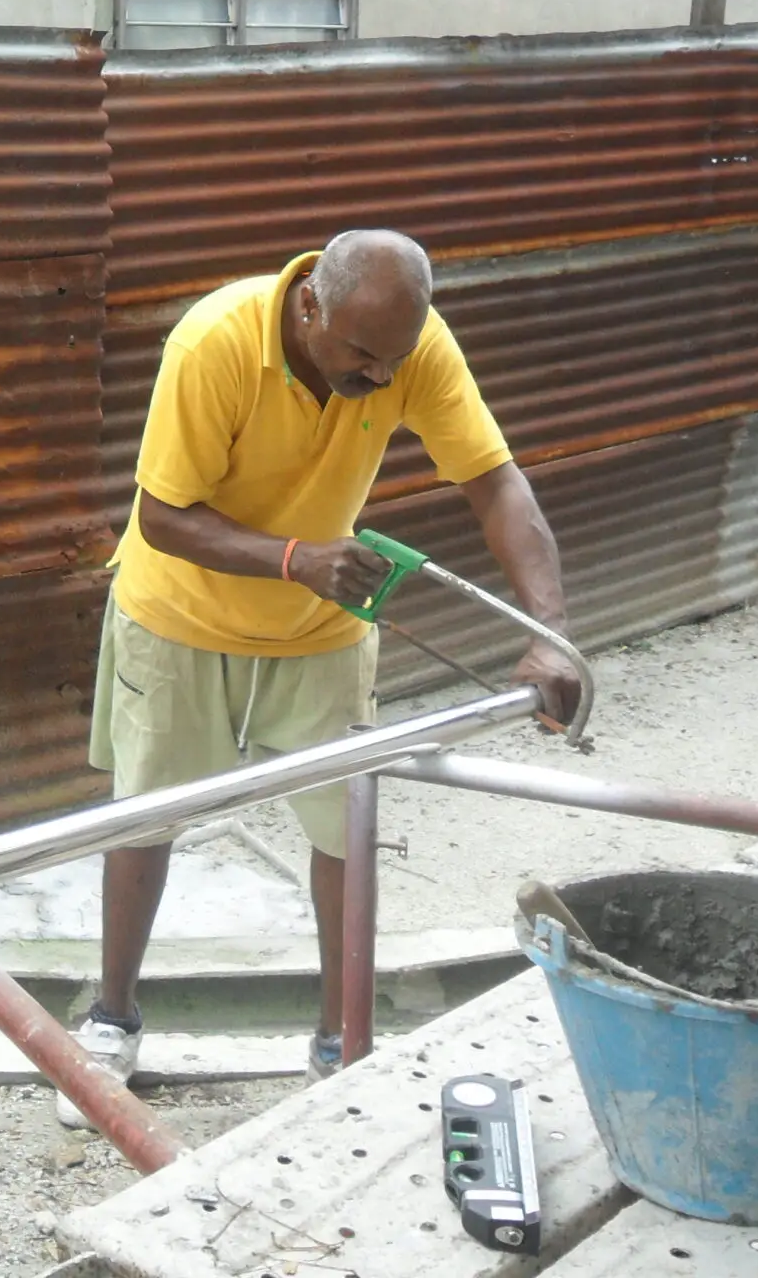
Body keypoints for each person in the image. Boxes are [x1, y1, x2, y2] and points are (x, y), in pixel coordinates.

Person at [59, 229, 576, 1124]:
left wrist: (550, 632)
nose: (381, 378)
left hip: (320, 632)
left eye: (395, 359)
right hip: (177, 618)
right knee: (145, 820)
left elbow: (495, 483)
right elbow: (162, 515)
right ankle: (112, 1019)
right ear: (310, 308)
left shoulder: (411, 346)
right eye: (362, 356)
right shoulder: (213, 343)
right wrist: (296, 557)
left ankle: (343, 1043)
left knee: (348, 835)